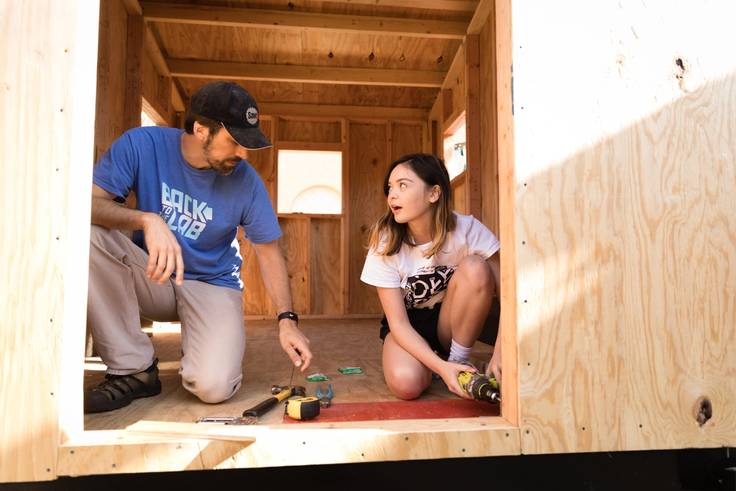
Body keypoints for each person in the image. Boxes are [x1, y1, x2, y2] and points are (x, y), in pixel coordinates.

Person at [84, 81, 312, 413]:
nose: (243, 154)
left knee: (214, 386)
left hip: (212, 284)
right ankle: (134, 370)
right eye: (234, 142)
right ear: (201, 129)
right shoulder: (141, 144)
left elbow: (268, 251)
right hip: (155, 275)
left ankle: (202, 359)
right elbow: (88, 206)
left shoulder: (246, 181)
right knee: (87, 233)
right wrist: (147, 220)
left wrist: (286, 320)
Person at [360, 153, 501, 400]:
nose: (392, 194)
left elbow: (512, 292)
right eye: (390, 187)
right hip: (409, 326)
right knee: (406, 384)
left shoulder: (466, 229)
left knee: (477, 267)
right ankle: (438, 367)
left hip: (452, 322)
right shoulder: (385, 241)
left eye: (403, 185)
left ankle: (458, 361)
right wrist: (440, 368)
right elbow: (398, 324)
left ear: (433, 194)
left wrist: (502, 352)